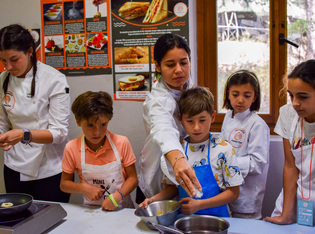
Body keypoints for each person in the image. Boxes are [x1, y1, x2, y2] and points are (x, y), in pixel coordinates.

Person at [140, 87, 244, 216]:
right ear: (181, 119)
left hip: (217, 220)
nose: (196, 127)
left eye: (202, 120)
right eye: (190, 121)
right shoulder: (177, 152)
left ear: (212, 116)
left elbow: (234, 193)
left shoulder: (224, 149)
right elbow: (174, 187)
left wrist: (200, 205)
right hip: (185, 220)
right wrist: (154, 200)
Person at [0, 24, 70, 202]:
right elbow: (2, 123)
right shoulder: (2, 80)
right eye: (3, 61)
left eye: (14, 59)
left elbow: (60, 132)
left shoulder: (54, 80)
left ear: (30, 51)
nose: (8, 66)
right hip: (14, 167)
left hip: (49, 169)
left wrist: (23, 135)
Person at [138, 33, 201, 203]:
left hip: (184, 171)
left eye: (184, 62)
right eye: (170, 64)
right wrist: (179, 160)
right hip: (158, 178)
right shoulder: (157, 101)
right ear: (157, 66)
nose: (179, 70)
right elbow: (163, 129)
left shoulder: (188, 85)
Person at [60, 91, 138, 210]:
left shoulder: (121, 143)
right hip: (91, 210)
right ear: (78, 121)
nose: (97, 132)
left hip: (122, 208)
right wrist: (83, 188)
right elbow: (64, 185)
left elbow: (133, 178)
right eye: (90, 125)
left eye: (103, 125)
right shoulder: (72, 147)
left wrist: (118, 196)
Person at [264, 60, 315, 225]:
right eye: (291, 95)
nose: (295, 103)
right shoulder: (287, 114)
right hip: (295, 199)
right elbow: (290, 166)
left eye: (303, 97)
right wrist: (286, 214)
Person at [220, 70, 270, 219]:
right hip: (228, 191)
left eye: (247, 95)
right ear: (228, 94)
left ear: (254, 97)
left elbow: (257, 162)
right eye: (235, 95)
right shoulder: (228, 116)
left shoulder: (257, 125)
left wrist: (226, 163)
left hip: (247, 197)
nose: (240, 100)